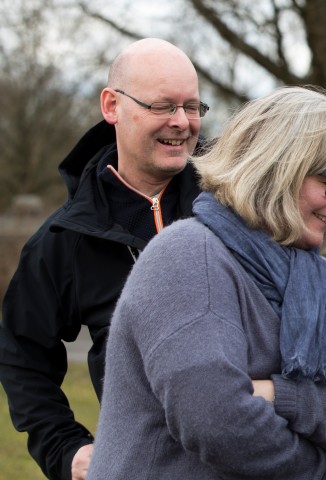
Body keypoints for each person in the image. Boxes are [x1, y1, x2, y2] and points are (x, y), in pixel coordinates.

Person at [85, 86, 326, 479]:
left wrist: (277, 394)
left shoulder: (322, 285)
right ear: (278, 167)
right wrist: (318, 459)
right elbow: (216, 421)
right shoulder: (188, 257)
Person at [0, 38, 206, 480]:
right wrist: (64, 448)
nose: (181, 123)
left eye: (192, 107)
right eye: (162, 106)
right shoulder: (63, 240)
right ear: (112, 105)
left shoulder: (237, 207)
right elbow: (21, 353)